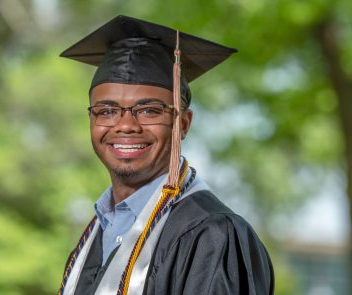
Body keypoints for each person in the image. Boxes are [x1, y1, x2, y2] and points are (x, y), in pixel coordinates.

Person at [57, 15, 274, 295]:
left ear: (182, 124)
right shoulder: (96, 235)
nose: (125, 125)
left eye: (149, 110)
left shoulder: (213, 236)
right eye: (107, 111)